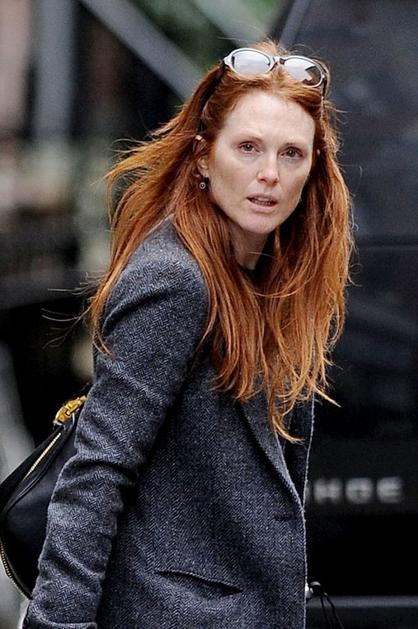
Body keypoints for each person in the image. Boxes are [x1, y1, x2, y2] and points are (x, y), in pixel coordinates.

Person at [23, 39, 352, 628]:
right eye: (247, 148)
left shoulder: (271, 280)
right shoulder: (176, 282)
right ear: (203, 156)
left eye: (292, 154)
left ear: (314, 169)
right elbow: (98, 470)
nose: (269, 174)